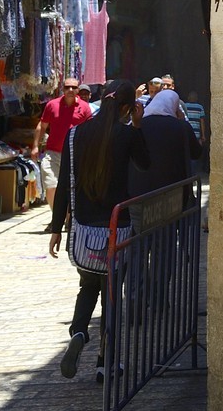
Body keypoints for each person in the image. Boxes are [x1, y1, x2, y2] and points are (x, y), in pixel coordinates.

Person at [48, 79, 150, 382]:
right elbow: (145, 164)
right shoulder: (127, 135)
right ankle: (106, 363)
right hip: (116, 228)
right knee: (111, 295)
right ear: (126, 107)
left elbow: (65, 184)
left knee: (88, 286)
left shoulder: (75, 134)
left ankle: (79, 332)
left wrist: (56, 228)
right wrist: (137, 125)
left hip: (84, 229)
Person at [34, 77, 92, 205]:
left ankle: (67, 218)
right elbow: (42, 126)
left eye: (73, 87)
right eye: (67, 87)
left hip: (75, 155)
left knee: (71, 189)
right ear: (62, 89)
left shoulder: (85, 108)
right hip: (53, 153)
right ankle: (57, 218)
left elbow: (90, 131)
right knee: (51, 185)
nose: (70, 90)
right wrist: (35, 146)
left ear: (78, 89)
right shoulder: (52, 105)